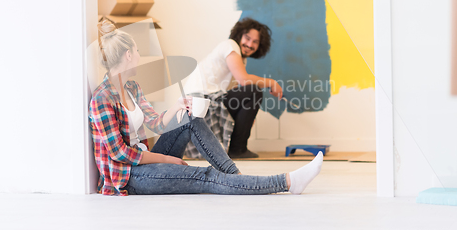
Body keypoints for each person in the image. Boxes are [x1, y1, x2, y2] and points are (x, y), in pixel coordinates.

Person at [88, 18, 322, 196]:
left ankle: (236, 179)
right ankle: (287, 182)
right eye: (138, 51)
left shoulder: (132, 86)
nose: (140, 54)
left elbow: (154, 122)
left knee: (190, 118)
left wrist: (177, 107)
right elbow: (120, 153)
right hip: (128, 176)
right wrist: (167, 160)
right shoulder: (102, 99)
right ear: (128, 55)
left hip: (146, 158)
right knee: (205, 176)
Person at [183, 18, 283, 159]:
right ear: (239, 35)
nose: (249, 44)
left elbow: (237, 92)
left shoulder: (241, 59)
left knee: (250, 94)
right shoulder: (230, 45)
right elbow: (244, 79)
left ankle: (237, 148)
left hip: (209, 101)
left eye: (255, 42)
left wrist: (247, 116)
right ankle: (238, 149)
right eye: (247, 38)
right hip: (199, 102)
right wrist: (271, 82)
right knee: (253, 91)